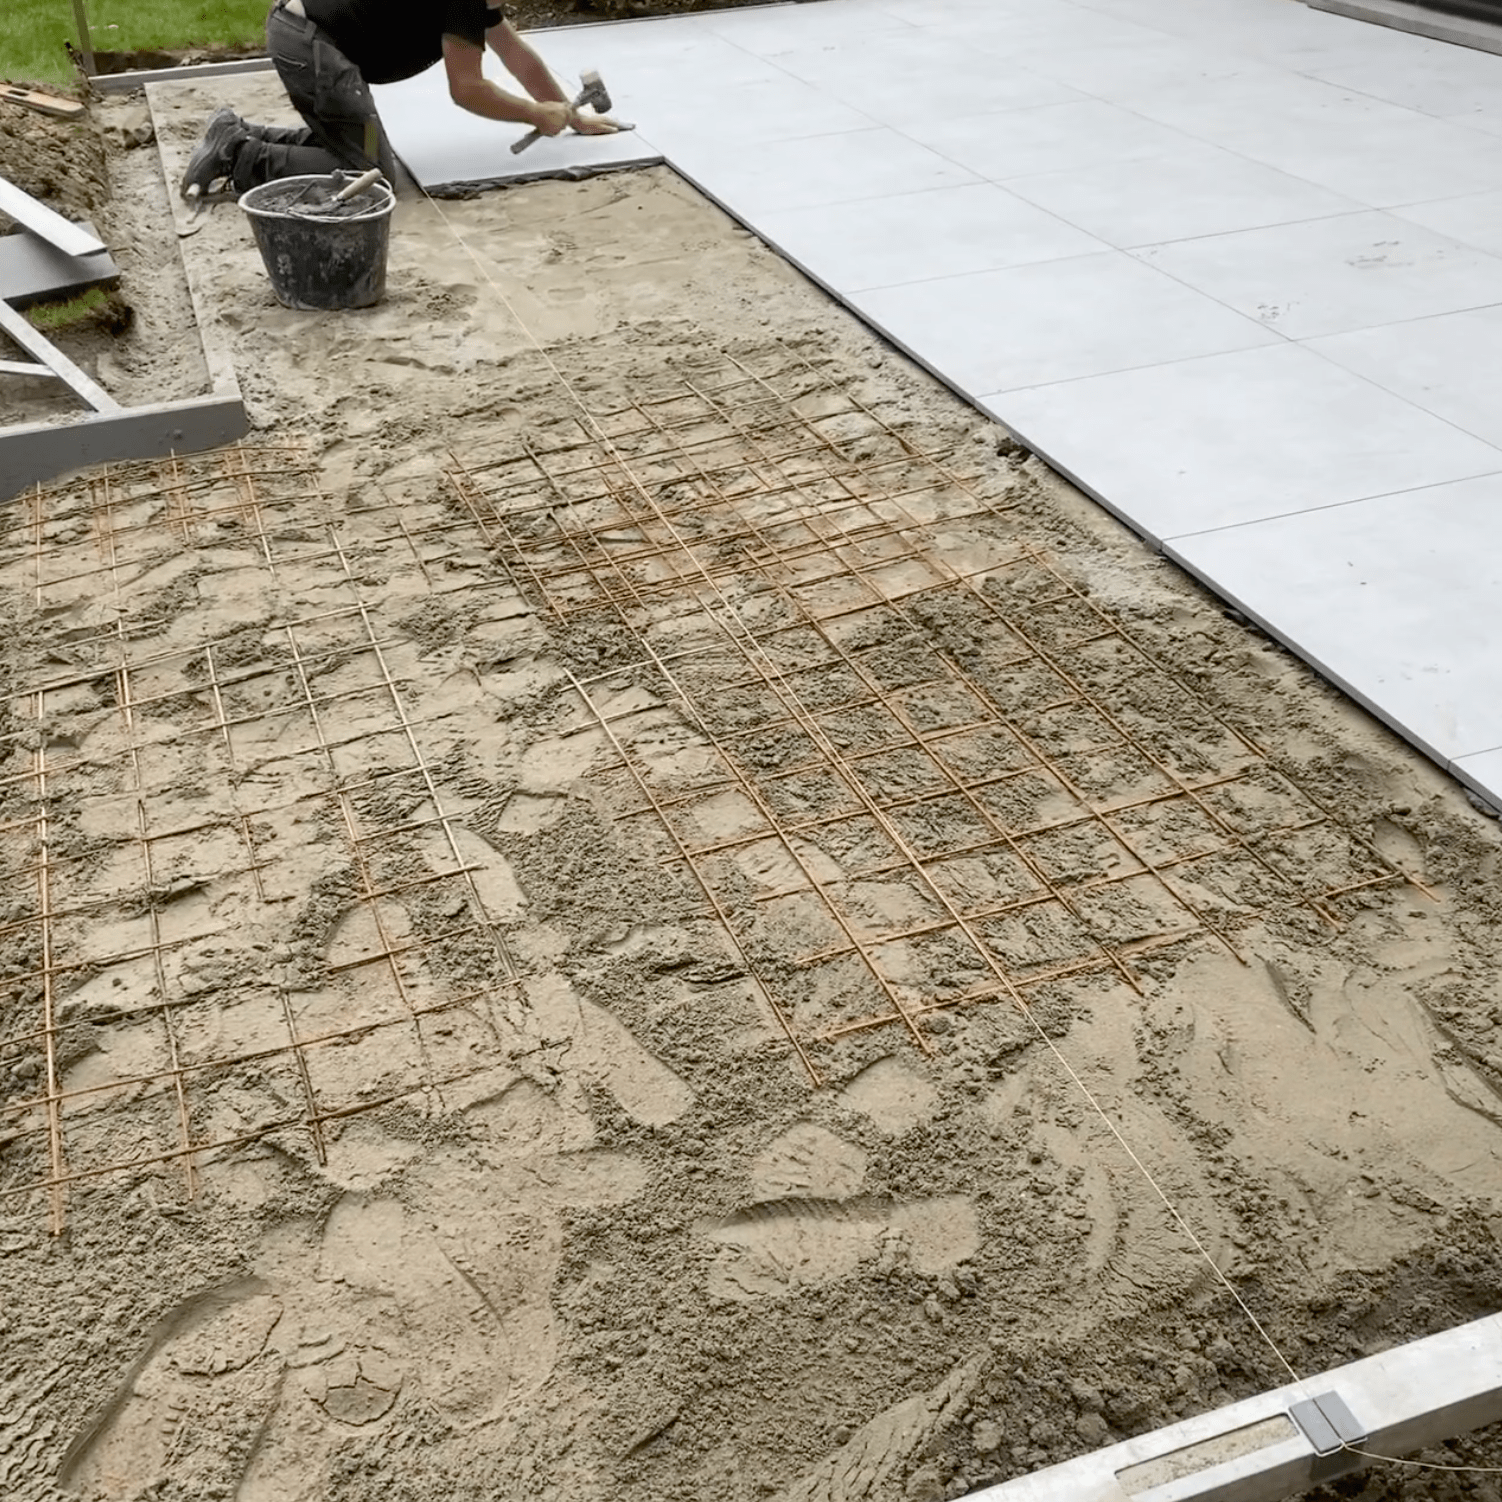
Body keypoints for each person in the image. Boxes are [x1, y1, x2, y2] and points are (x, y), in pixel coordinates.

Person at [180, 0, 619, 199]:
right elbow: (467, 89)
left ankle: (241, 134)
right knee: (370, 175)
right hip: (314, 47)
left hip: (309, 38)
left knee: (363, 149)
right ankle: (240, 155)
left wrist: (570, 114)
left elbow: (514, 54)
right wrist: (536, 114)